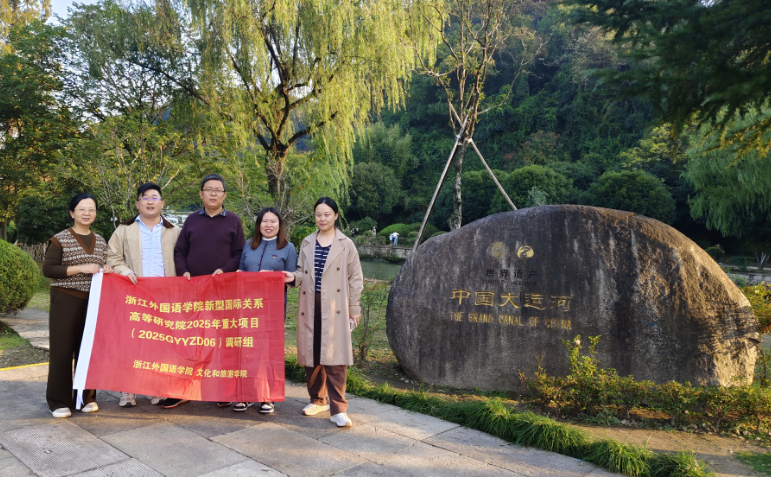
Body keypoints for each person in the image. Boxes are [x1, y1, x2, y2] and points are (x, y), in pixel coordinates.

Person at [282, 197, 363, 428]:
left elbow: (355, 278)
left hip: (336, 306)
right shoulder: (308, 242)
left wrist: (354, 308)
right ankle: (318, 400)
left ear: (336, 215)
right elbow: (301, 272)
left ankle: (338, 409)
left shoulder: (346, 244)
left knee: (335, 357)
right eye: (318, 214)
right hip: (310, 304)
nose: (322, 218)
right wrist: (292, 277)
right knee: (312, 354)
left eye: (327, 214)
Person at [169, 173, 246, 409]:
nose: (213, 193)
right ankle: (183, 388)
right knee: (190, 339)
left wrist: (225, 270)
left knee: (221, 341)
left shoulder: (233, 221)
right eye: (209, 189)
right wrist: (183, 271)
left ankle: (221, 389)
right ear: (201, 194)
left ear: (224, 195)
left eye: (217, 190)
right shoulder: (191, 220)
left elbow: (239, 253)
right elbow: (180, 251)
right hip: (193, 292)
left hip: (222, 293)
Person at [106, 183, 181, 408]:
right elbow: (112, 257)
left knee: (160, 344)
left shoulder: (174, 231)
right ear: (137, 203)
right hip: (134, 293)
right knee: (131, 342)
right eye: (145, 197)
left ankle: (155, 388)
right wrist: (125, 271)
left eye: (154, 197)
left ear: (162, 203)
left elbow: (183, 258)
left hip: (165, 296)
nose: (150, 201)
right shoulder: (124, 229)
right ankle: (127, 390)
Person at [42, 193, 113, 418]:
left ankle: (86, 397)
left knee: (88, 350)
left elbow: (101, 266)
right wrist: (81, 268)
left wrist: (107, 269)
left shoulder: (100, 241)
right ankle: (58, 401)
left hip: (92, 302)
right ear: (72, 213)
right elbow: (49, 270)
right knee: (62, 351)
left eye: (91, 209)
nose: (87, 213)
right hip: (65, 299)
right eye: (82, 209)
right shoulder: (60, 239)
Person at [234, 207, 297, 413]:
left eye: (273, 221)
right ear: (258, 224)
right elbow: (241, 270)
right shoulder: (248, 245)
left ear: (280, 225)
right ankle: (245, 394)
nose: (268, 225)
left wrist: (273, 276)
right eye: (264, 221)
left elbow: (293, 278)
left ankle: (267, 396)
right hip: (248, 308)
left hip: (272, 309)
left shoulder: (288, 248)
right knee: (247, 351)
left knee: (269, 353)